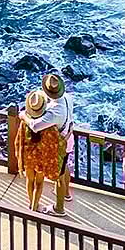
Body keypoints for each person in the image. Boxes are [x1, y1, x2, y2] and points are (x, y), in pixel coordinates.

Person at [15, 88, 67, 215]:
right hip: (40, 158)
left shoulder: (24, 122)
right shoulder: (48, 125)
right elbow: (58, 142)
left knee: (29, 181)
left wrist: (19, 156)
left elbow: (18, 140)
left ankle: (31, 203)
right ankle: (34, 206)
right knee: (39, 183)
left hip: (28, 157)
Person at [42, 71, 75, 202]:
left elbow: (35, 126)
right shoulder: (68, 97)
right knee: (64, 166)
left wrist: (23, 116)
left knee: (59, 174)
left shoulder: (53, 110)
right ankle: (66, 193)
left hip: (58, 145)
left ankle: (59, 208)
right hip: (68, 139)